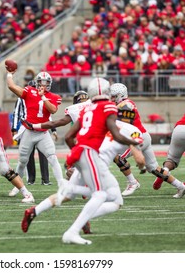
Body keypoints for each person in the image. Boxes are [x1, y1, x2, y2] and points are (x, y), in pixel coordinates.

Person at [59, 77, 140, 245]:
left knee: (79, 190)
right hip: (94, 154)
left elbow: (66, 132)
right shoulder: (106, 108)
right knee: (104, 195)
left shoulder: (88, 109)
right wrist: (134, 145)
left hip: (85, 151)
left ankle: (43, 208)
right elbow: (119, 134)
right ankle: (77, 222)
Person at [110, 83, 185, 198]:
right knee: (153, 168)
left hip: (137, 138)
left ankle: (133, 183)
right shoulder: (123, 104)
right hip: (143, 136)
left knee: (117, 156)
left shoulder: (126, 104)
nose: (111, 99)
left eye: (114, 96)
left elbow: (122, 113)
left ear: (121, 95)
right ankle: (181, 186)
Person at [6, 71, 64, 196]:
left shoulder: (54, 96)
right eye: (41, 82)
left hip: (43, 133)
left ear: (50, 84)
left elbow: (53, 110)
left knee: (52, 157)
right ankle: (18, 186)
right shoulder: (28, 91)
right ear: (36, 83)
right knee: (22, 161)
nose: (43, 85)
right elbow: (11, 86)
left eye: (46, 82)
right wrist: (9, 74)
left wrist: (43, 96)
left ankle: (62, 186)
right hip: (29, 131)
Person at [11, 92, 55, 185]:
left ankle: (45, 179)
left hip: (40, 127)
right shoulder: (21, 99)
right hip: (26, 128)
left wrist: (53, 129)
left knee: (44, 153)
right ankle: (31, 179)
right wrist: (14, 129)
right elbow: (16, 114)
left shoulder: (41, 98)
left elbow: (47, 114)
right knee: (27, 155)